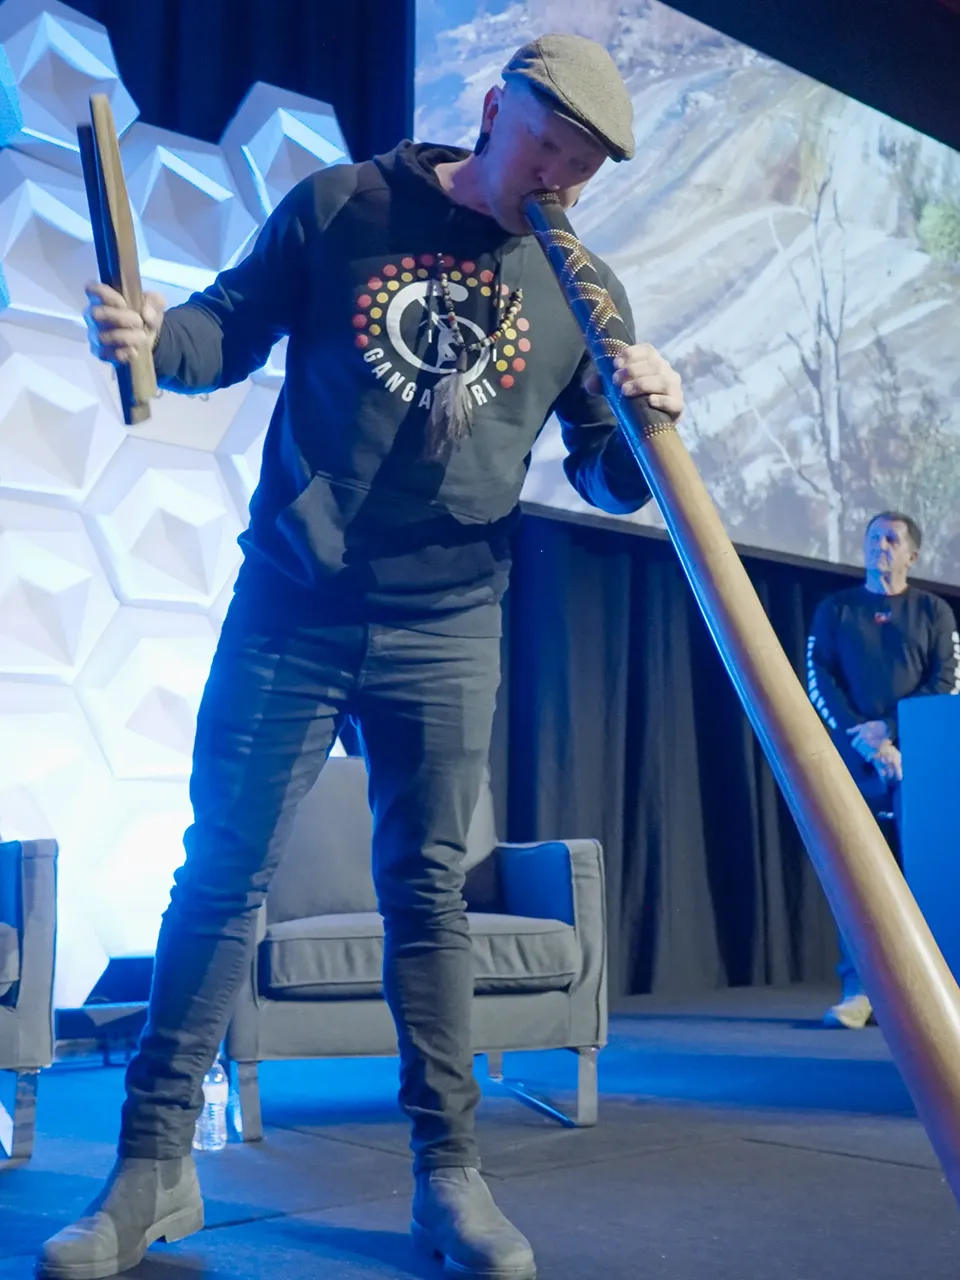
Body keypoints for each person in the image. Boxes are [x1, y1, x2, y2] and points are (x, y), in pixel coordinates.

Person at [39, 34, 685, 1280]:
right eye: (546, 147)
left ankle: (450, 1178)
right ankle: (151, 1167)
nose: (556, 178)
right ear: (495, 108)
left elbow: (605, 471)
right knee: (220, 874)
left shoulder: (582, 286)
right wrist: (148, 336)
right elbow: (220, 332)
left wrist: (647, 417)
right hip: (295, 599)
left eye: (583, 167)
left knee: (429, 894)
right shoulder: (344, 203)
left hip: (450, 620)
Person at [807, 511, 959, 1029]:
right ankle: (861, 989)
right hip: (855, 762)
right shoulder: (837, 610)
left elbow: (946, 680)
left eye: (892, 540)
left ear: (912, 554)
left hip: (919, 763)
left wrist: (895, 733)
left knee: (923, 876)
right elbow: (819, 679)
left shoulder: (934, 612)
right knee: (859, 876)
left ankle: (927, 992)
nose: (881, 546)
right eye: (874, 538)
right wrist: (867, 741)